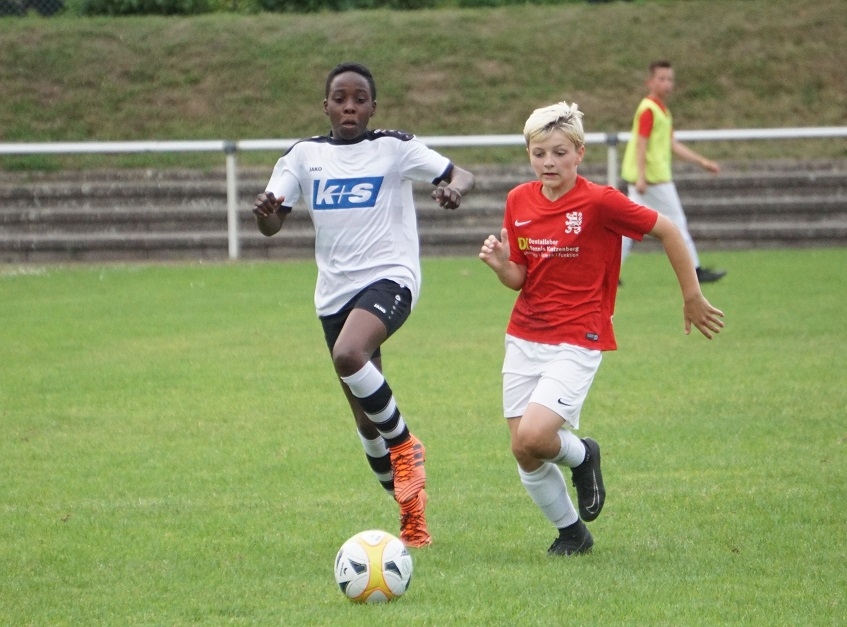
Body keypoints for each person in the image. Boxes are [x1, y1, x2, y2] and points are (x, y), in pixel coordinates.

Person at [478, 102, 724, 556]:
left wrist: (691, 295)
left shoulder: (600, 201)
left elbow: (669, 230)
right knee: (524, 450)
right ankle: (572, 533)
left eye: (559, 153)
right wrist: (500, 265)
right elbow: (520, 277)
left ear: (579, 153)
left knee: (535, 435)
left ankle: (583, 454)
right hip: (525, 335)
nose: (548, 162)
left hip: (578, 336)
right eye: (538, 153)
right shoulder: (518, 200)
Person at [252, 61, 475, 548]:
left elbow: (461, 173)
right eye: (340, 99)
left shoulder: (394, 148)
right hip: (333, 294)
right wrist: (266, 215)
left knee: (349, 355)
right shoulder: (302, 156)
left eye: (359, 99)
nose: (349, 107)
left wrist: (452, 189)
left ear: (373, 107)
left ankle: (406, 445)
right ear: (325, 106)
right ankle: (412, 516)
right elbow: (272, 224)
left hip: (390, 277)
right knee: (364, 420)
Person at [620, 60, 726, 283]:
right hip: (654, 180)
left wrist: (702, 162)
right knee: (677, 221)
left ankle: (608, 270)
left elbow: (672, 144)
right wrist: (641, 176)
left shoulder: (662, 111)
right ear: (650, 82)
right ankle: (695, 270)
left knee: (628, 226)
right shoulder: (649, 109)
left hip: (650, 179)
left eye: (670, 79)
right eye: (662, 79)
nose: (667, 84)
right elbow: (641, 143)